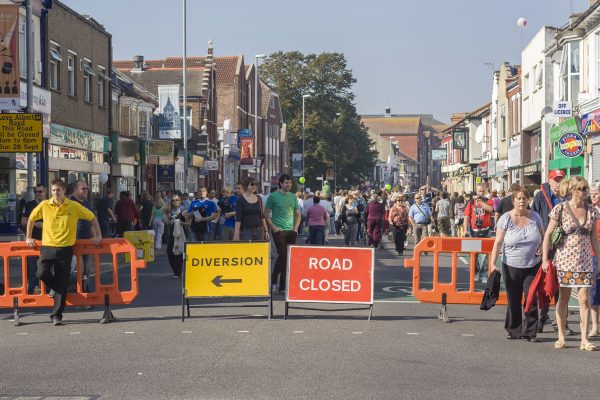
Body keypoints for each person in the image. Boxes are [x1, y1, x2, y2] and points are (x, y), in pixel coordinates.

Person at [25, 179, 102, 326]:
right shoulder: (44, 205)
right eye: (53, 190)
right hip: (47, 247)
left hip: (65, 249)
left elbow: (92, 217)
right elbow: (31, 218)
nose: (55, 193)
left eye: (58, 190)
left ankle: (56, 315)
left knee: (62, 279)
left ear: (64, 191)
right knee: (41, 273)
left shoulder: (73, 206)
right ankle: (59, 289)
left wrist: (98, 235)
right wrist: (28, 237)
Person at [541, 177, 600, 351]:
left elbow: (594, 239)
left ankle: (584, 339)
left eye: (586, 188)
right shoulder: (560, 209)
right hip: (565, 261)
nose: (585, 191)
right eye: (582, 188)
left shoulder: (591, 211)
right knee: (564, 299)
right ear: (573, 189)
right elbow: (548, 235)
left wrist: (599, 260)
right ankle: (561, 335)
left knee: (585, 300)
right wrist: (545, 259)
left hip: (585, 261)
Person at [490, 187, 544, 341]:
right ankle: (514, 329)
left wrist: (541, 248)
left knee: (531, 298)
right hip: (511, 265)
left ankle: (530, 331)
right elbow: (498, 242)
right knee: (513, 298)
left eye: (524, 198)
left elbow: (544, 238)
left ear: (529, 201)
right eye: (519, 198)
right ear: (513, 200)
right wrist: (493, 263)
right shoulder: (505, 218)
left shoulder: (535, 217)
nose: (522, 201)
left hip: (533, 265)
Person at [531, 170, 566, 333]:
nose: (558, 183)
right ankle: (542, 316)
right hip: (547, 246)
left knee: (562, 286)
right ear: (549, 181)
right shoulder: (541, 196)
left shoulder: (569, 196)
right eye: (556, 180)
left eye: (561, 179)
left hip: (565, 247)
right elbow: (534, 220)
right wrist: (539, 243)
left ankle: (561, 321)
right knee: (547, 284)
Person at [265, 174, 300, 293]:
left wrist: (296, 228)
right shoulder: (273, 196)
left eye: (289, 183)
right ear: (280, 183)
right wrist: (272, 227)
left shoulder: (293, 197)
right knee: (283, 256)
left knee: (288, 258)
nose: (288, 185)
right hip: (278, 230)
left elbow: (298, 214)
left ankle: (283, 286)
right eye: (286, 183)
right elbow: (266, 213)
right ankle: (274, 281)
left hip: (291, 231)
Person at [463, 183, 495, 283]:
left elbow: (491, 209)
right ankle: (475, 272)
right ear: (476, 191)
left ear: (485, 191)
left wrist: (481, 203)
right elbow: (466, 216)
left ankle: (483, 274)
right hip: (474, 231)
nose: (481, 193)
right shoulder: (471, 202)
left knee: (486, 254)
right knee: (473, 254)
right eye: (479, 191)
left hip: (486, 230)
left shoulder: (488, 201)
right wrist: (465, 229)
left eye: (482, 191)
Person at [68, 180, 95, 294]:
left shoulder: (87, 203)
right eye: (83, 189)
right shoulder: (69, 202)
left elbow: (92, 220)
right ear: (75, 190)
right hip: (74, 242)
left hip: (87, 241)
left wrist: (95, 236)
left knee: (87, 269)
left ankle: (84, 290)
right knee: (78, 269)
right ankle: (71, 290)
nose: (86, 191)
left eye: (87, 189)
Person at [21, 184, 46, 294]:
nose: (37, 194)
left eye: (40, 192)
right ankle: (32, 290)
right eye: (36, 191)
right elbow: (23, 221)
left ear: (45, 191)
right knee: (32, 268)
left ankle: (47, 289)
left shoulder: (51, 205)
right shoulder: (29, 205)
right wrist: (36, 224)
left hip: (47, 241)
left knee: (46, 267)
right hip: (33, 241)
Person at [233, 177, 269, 241]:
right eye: (252, 184)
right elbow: (238, 218)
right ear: (246, 185)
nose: (254, 186)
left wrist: (266, 231)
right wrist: (236, 234)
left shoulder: (259, 198)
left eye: (256, 184)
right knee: (247, 250)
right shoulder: (240, 200)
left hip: (259, 230)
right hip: (246, 232)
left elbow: (262, 216)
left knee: (258, 250)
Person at [166, 195, 187, 278]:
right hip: (172, 233)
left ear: (180, 200)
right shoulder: (170, 211)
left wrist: (180, 222)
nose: (175, 202)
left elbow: (188, 223)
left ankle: (178, 272)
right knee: (169, 251)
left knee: (179, 252)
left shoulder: (183, 211)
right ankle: (175, 270)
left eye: (177, 200)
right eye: (173, 200)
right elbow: (167, 223)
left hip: (181, 233)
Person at [590, 182, 600, 338]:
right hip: (592, 254)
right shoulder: (589, 211)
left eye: (596, 194)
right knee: (594, 291)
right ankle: (594, 327)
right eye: (591, 194)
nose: (592, 196)